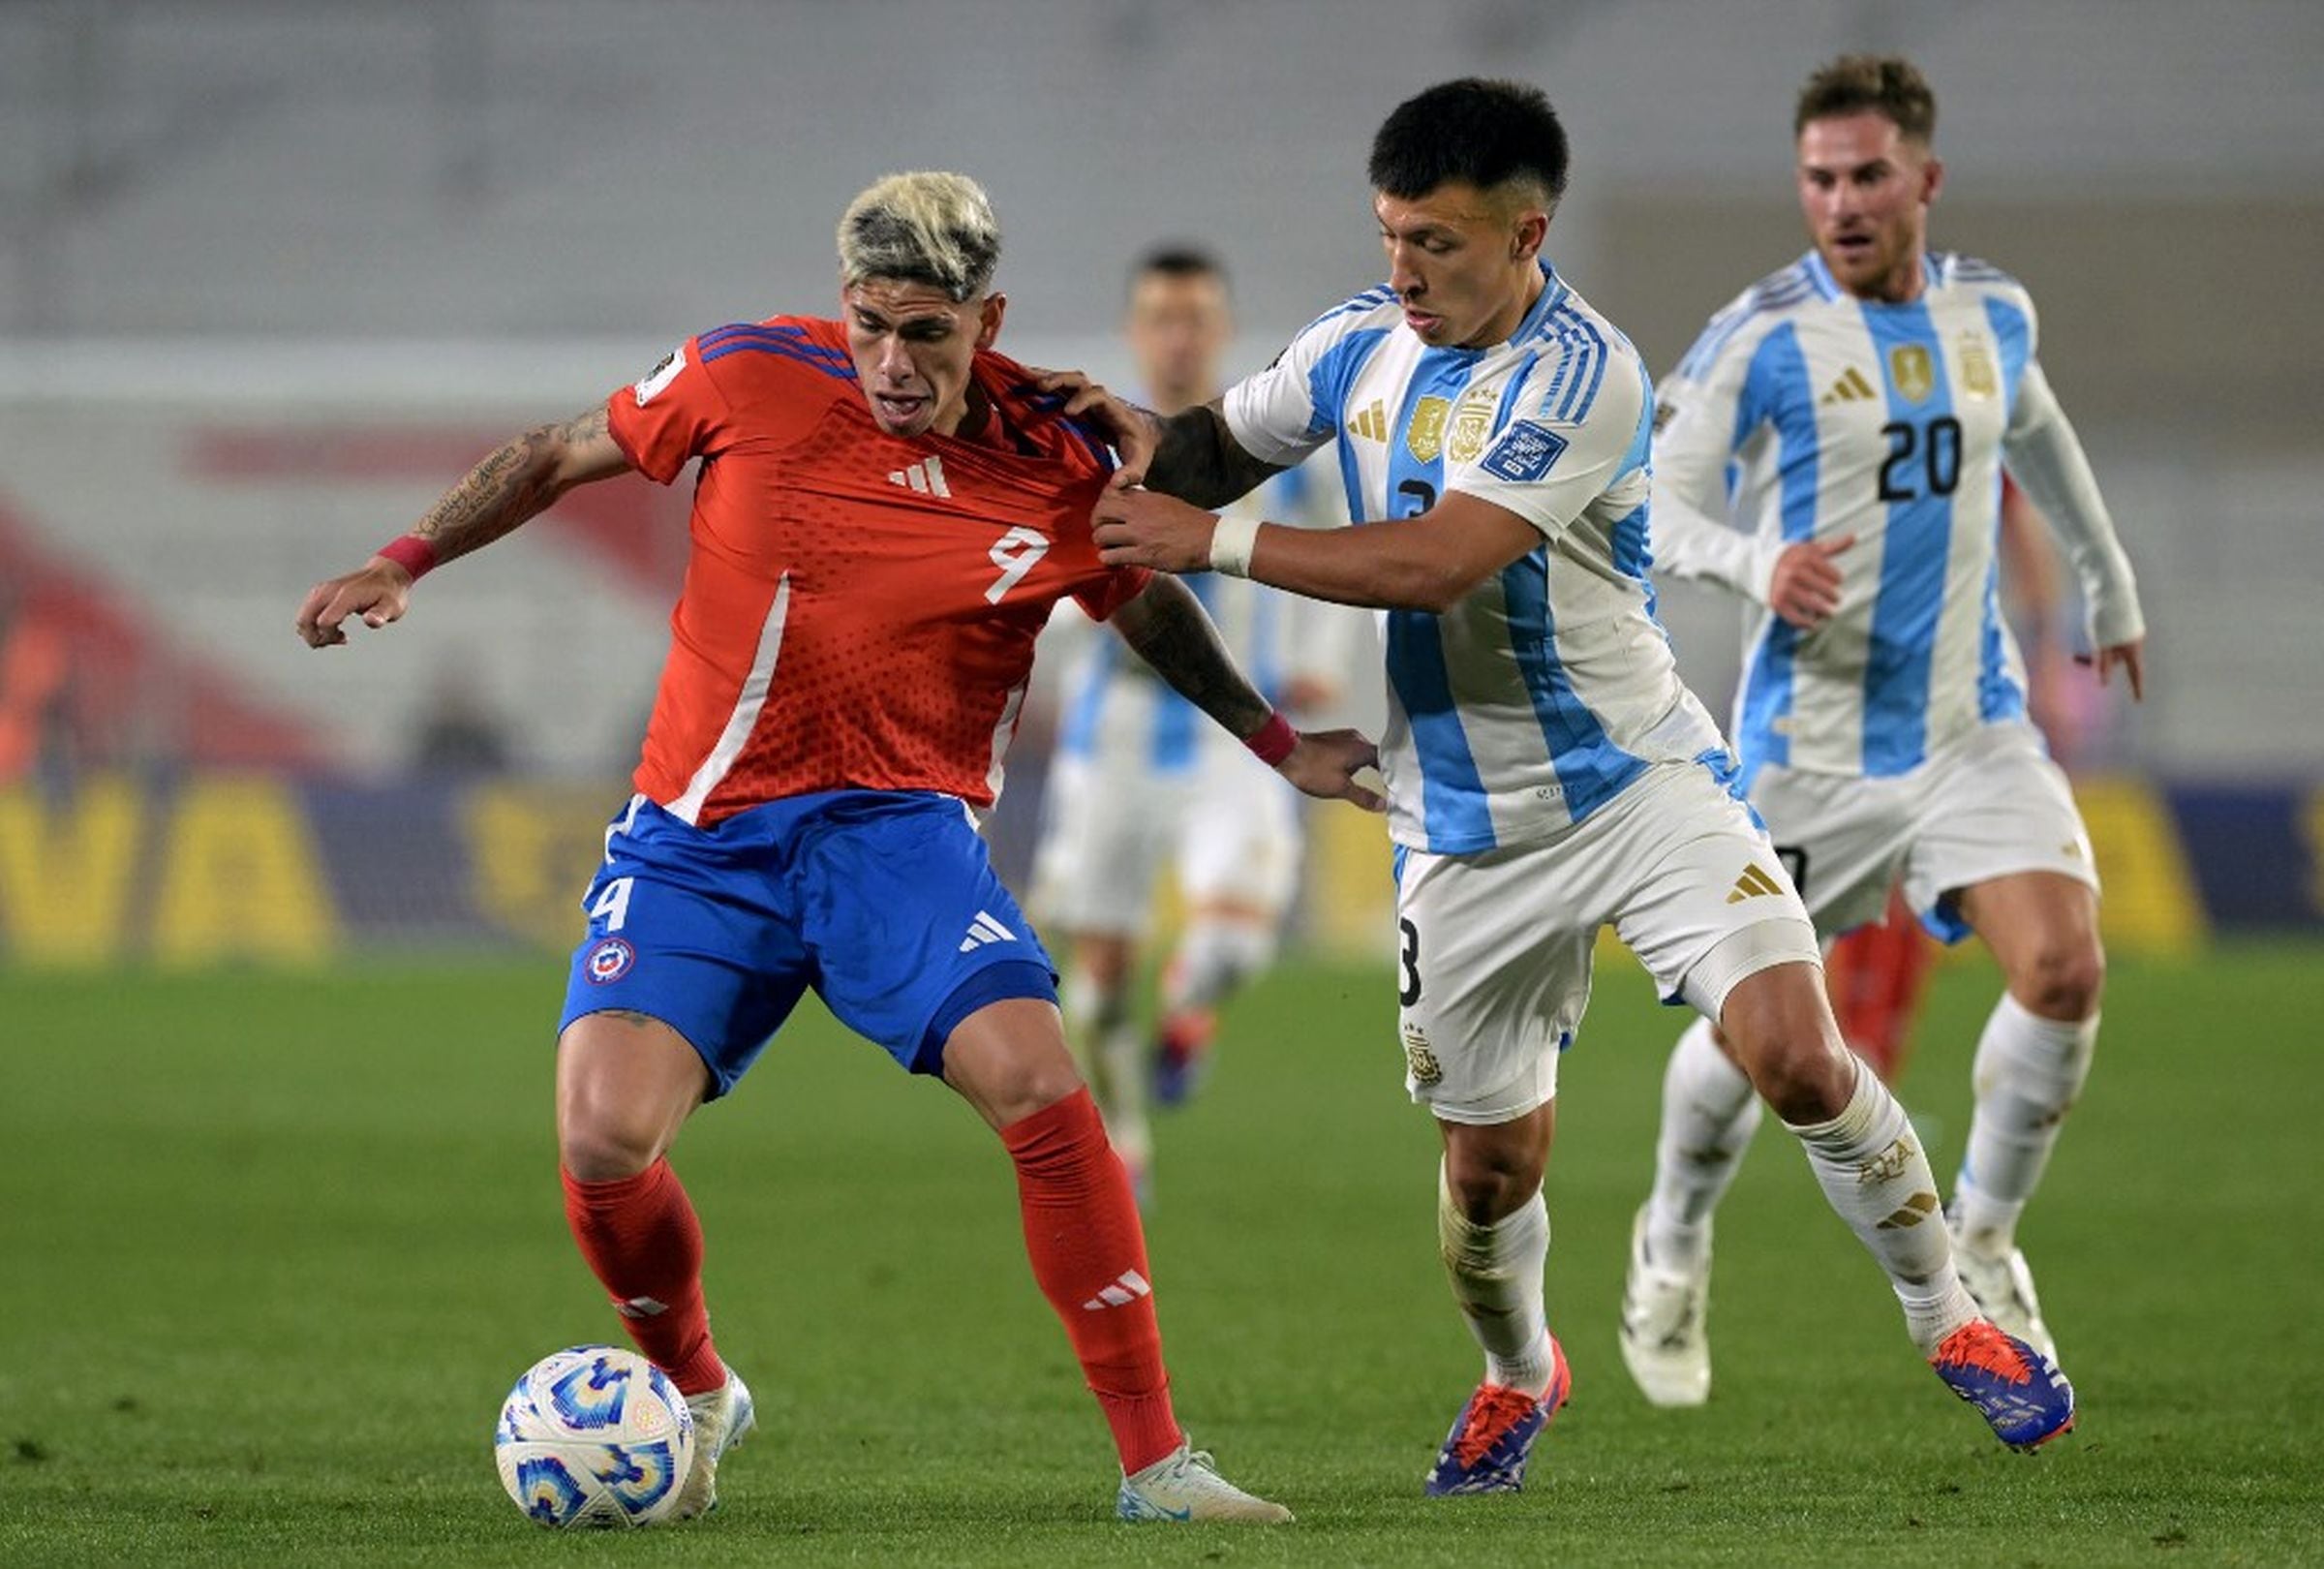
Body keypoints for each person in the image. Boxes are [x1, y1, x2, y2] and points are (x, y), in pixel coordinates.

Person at [295, 171, 1384, 1525]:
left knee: (1045, 1090)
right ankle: (696, 1386)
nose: (892, 360)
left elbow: (1139, 603)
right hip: (699, 838)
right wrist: (404, 556)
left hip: (898, 834)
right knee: (600, 1139)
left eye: (926, 331)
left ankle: (1157, 1465)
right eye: (870, 323)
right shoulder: (745, 374)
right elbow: (554, 451)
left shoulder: (1057, 453)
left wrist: (1284, 748)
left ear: (987, 320)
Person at [1081, 77, 2075, 1495]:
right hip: (1464, 830)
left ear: (1525, 230)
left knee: (1797, 1050)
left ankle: (1950, 1317)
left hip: (1638, 785)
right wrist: (1107, 435)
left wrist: (1212, 544)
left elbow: (1437, 560)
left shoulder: (1585, 372)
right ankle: (1518, 1373)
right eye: (1391, 236)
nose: (1403, 272)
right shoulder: (1357, 342)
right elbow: (1211, 449)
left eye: (1437, 243)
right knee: (1490, 1174)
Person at [1622, 55, 2144, 1408]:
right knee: (1762, 1047)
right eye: (1819, 179)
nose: (1841, 202)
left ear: (1924, 178)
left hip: (1972, 730)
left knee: (2068, 969)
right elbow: (1647, 507)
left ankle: (1982, 1233)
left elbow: (2039, 437)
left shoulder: (1994, 314)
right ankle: (1671, 1244)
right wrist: (1754, 563)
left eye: (1866, 176)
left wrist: (2108, 582)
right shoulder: (1761, 337)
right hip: (1812, 754)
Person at [1030, 245, 1352, 1198]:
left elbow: (1336, 565)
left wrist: (1319, 666)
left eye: (1196, 319)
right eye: (1161, 319)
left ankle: (1192, 1012)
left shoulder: (1273, 452)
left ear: (1220, 332)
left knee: (1231, 944)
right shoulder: (1087, 451)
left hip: (1234, 730)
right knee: (1100, 974)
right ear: (1136, 334)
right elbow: (1040, 571)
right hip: (1111, 739)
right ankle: (1124, 1138)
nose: (1179, 337)